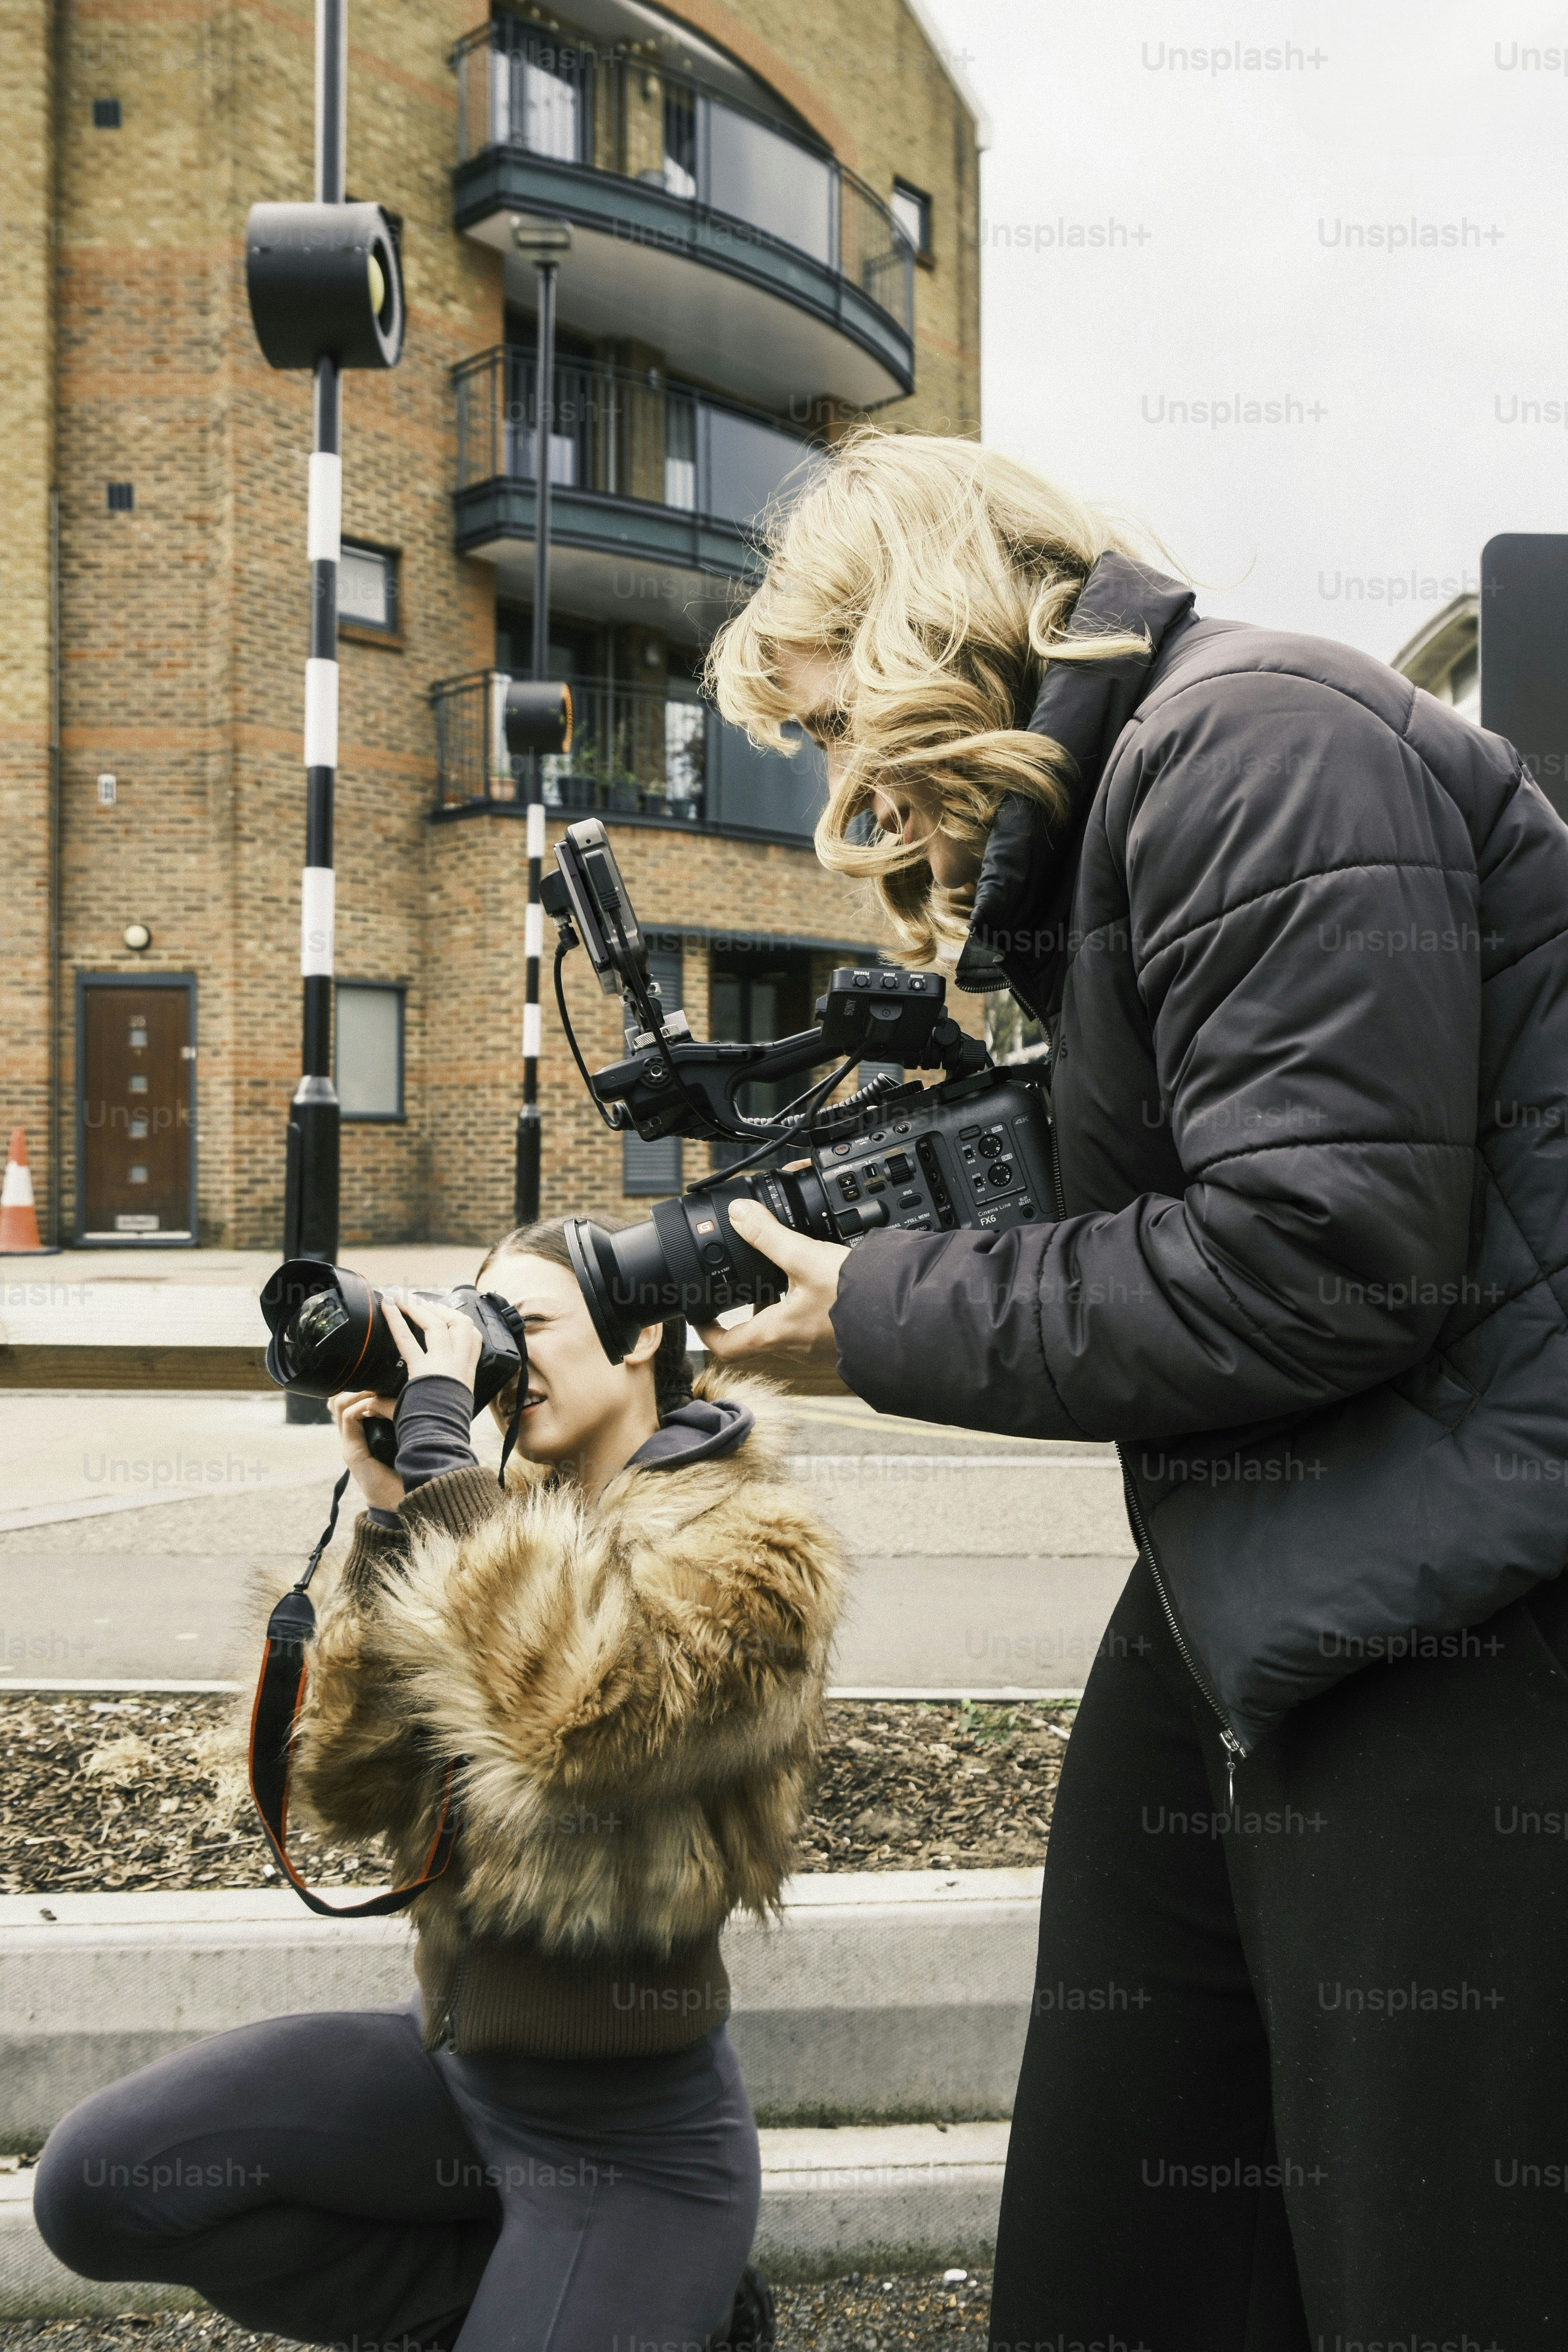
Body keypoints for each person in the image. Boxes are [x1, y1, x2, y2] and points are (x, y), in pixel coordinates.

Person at [695, 428, 1568, 2350]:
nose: (854, 794)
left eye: (847, 721)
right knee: (1127, 2239)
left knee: (1438, 2271)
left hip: (1465, 1598)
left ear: (936, 622)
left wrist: (891, 1317)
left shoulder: (1254, 748)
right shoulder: (1152, 794)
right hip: (1285, 1559)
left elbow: (1328, 1260)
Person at [35, 1219, 845, 2352]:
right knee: (97, 2185)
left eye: (531, 1328)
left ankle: (663, 2297)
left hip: (633, 2148)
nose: (498, 1363)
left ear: (638, 1334)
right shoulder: (491, 1521)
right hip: (457, 2083)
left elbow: (581, 1726)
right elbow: (348, 1789)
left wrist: (448, 1492)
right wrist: (383, 1522)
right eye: (481, 1331)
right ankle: (502, 2299)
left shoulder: (758, 1547)